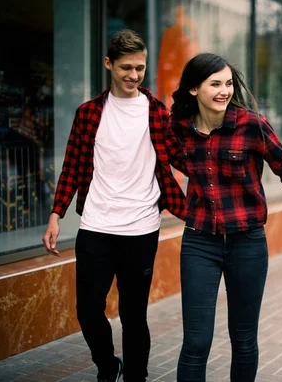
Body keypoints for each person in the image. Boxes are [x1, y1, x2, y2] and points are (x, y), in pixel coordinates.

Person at [41, 29, 186, 382]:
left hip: (140, 227)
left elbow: (181, 156)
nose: (133, 75)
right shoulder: (88, 113)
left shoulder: (156, 112)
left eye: (139, 67)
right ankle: (108, 367)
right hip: (95, 225)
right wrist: (56, 214)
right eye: (125, 67)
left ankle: (137, 376)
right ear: (108, 64)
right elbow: (73, 165)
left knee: (134, 314)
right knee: (88, 310)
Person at [168, 53, 282, 382]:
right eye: (215, 84)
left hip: (247, 243)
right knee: (195, 342)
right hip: (199, 242)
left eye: (228, 83)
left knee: (243, 339)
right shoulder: (178, 127)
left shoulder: (251, 124)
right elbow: (168, 162)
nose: (224, 91)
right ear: (194, 89)